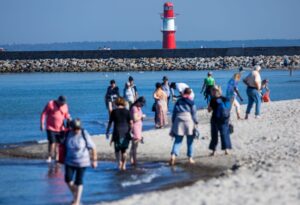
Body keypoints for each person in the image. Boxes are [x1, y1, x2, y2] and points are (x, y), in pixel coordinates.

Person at [64, 118, 97, 205]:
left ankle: (77, 201)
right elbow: (62, 144)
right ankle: (76, 194)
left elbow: (93, 147)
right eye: (75, 128)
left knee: (78, 180)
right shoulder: (68, 134)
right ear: (71, 128)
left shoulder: (84, 134)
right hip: (69, 161)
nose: (76, 130)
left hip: (82, 161)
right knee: (68, 179)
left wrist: (94, 160)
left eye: (78, 128)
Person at [169, 88, 198, 166]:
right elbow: (194, 113)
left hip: (178, 120)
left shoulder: (178, 101)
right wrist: (196, 122)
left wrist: (173, 121)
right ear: (190, 93)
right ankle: (190, 158)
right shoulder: (191, 102)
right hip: (188, 120)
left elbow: (174, 112)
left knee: (178, 140)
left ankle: (173, 155)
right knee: (190, 140)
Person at [40, 95, 71, 163]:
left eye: (64, 103)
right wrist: (42, 124)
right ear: (58, 100)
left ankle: (57, 157)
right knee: (52, 143)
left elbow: (66, 114)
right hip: (50, 127)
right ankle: (50, 157)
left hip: (61, 128)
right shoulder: (50, 104)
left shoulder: (65, 105)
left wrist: (69, 118)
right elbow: (44, 114)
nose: (63, 104)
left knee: (59, 144)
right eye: (62, 103)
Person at [106, 97, 133, 170]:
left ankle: (119, 163)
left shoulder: (114, 112)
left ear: (116, 103)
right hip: (126, 132)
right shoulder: (127, 111)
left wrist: (107, 132)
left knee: (117, 150)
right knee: (124, 150)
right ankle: (124, 164)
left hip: (117, 132)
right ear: (123, 103)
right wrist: (131, 130)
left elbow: (110, 123)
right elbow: (131, 123)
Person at [208, 86, 232, 156]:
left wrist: (210, 107)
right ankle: (226, 150)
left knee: (214, 134)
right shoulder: (224, 98)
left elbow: (209, 110)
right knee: (224, 134)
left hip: (215, 118)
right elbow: (228, 108)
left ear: (213, 91)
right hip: (225, 119)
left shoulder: (213, 100)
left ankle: (213, 151)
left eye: (212, 91)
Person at [129, 97, 146, 166]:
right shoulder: (134, 108)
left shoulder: (138, 108)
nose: (142, 106)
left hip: (138, 127)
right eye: (141, 104)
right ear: (138, 102)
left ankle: (133, 160)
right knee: (134, 144)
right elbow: (135, 119)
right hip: (135, 127)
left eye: (142, 105)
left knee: (135, 145)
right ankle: (133, 161)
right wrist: (142, 116)